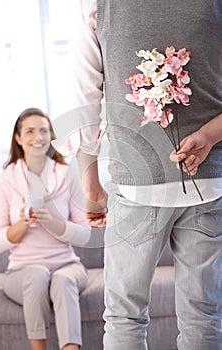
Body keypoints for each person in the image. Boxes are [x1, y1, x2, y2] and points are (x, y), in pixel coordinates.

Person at [56, 1, 222, 350]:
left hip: (135, 186)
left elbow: (84, 94)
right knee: (203, 315)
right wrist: (207, 136)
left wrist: (90, 184)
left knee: (125, 317)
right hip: (207, 183)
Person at [0, 107, 91, 350]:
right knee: (37, 274)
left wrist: (57, 226)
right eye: (30, 131)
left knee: (63, 280)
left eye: (44, 130)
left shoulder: (68, 175)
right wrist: (22, 225)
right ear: (18, 138)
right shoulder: (4, 181)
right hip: (21, 271)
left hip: (67, 265)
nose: (38, 137)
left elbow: (86, 234)